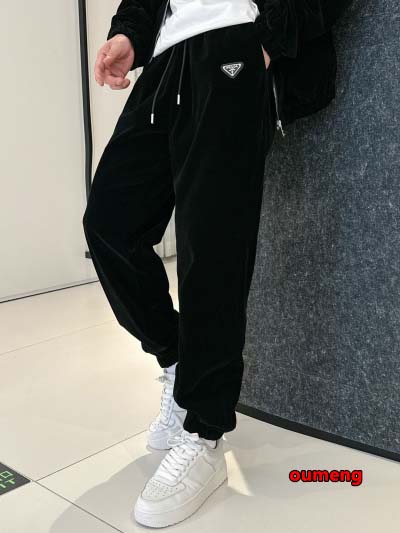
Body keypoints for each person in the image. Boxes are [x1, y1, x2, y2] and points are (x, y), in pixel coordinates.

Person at [83, 0, 352, 527]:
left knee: (212, 250)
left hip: (236, 41)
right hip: (167, 57)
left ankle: (204, 432)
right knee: (110, 225)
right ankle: (177, 361)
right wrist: (130, 35)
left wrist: (269, 38)